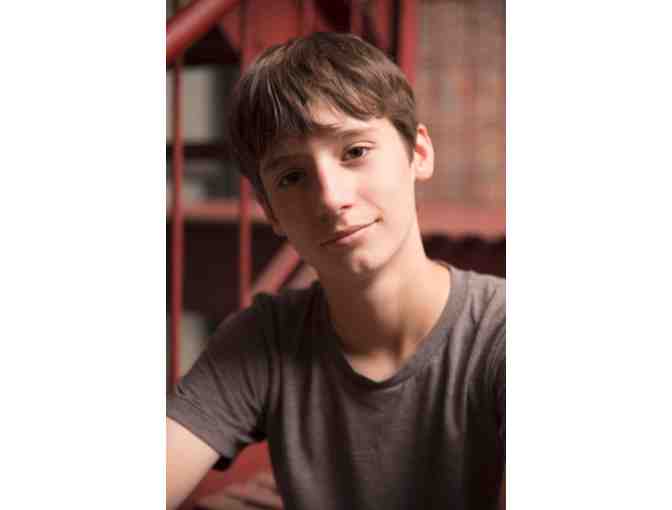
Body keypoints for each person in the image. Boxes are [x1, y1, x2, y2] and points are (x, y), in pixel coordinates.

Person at [167, 32, 505, 510]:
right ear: (270, 211)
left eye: (355, 151)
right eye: (292, 177)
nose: (330, 198)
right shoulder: (266, 337)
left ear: (418, 153)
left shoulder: (504, 334)